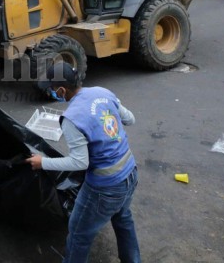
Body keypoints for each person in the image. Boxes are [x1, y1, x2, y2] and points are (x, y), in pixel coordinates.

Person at [27, 62, 140, 263]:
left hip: (105, 188)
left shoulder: (71, 118)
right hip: (130, 172)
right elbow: (129, 119)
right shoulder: (102, 92)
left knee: (79, 235)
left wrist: (43, 162)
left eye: (53, 89)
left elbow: (80, 162)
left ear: (61, 90)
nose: (52, 92)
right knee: (123, 219)